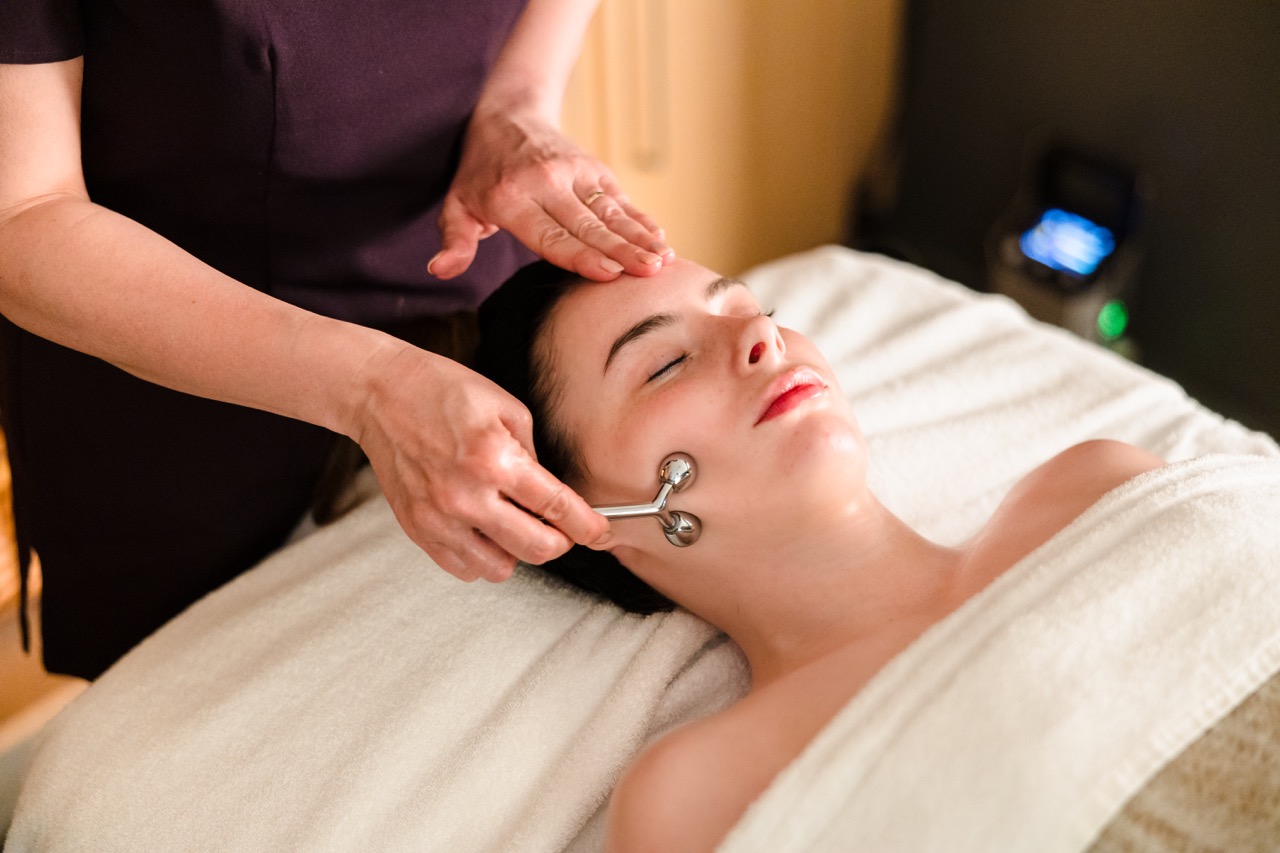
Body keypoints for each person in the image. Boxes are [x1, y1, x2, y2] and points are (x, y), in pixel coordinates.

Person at [0, 0, 674, 679]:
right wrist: (370, 386)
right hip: (185, 379)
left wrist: (520, 96)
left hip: (478, 284)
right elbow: (20, 215)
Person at [473, 257, 1170, 851]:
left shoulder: (1094, 494)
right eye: (666, 363)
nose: (759, 334)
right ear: (587, 518)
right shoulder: (694, 797)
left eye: (753, 308)